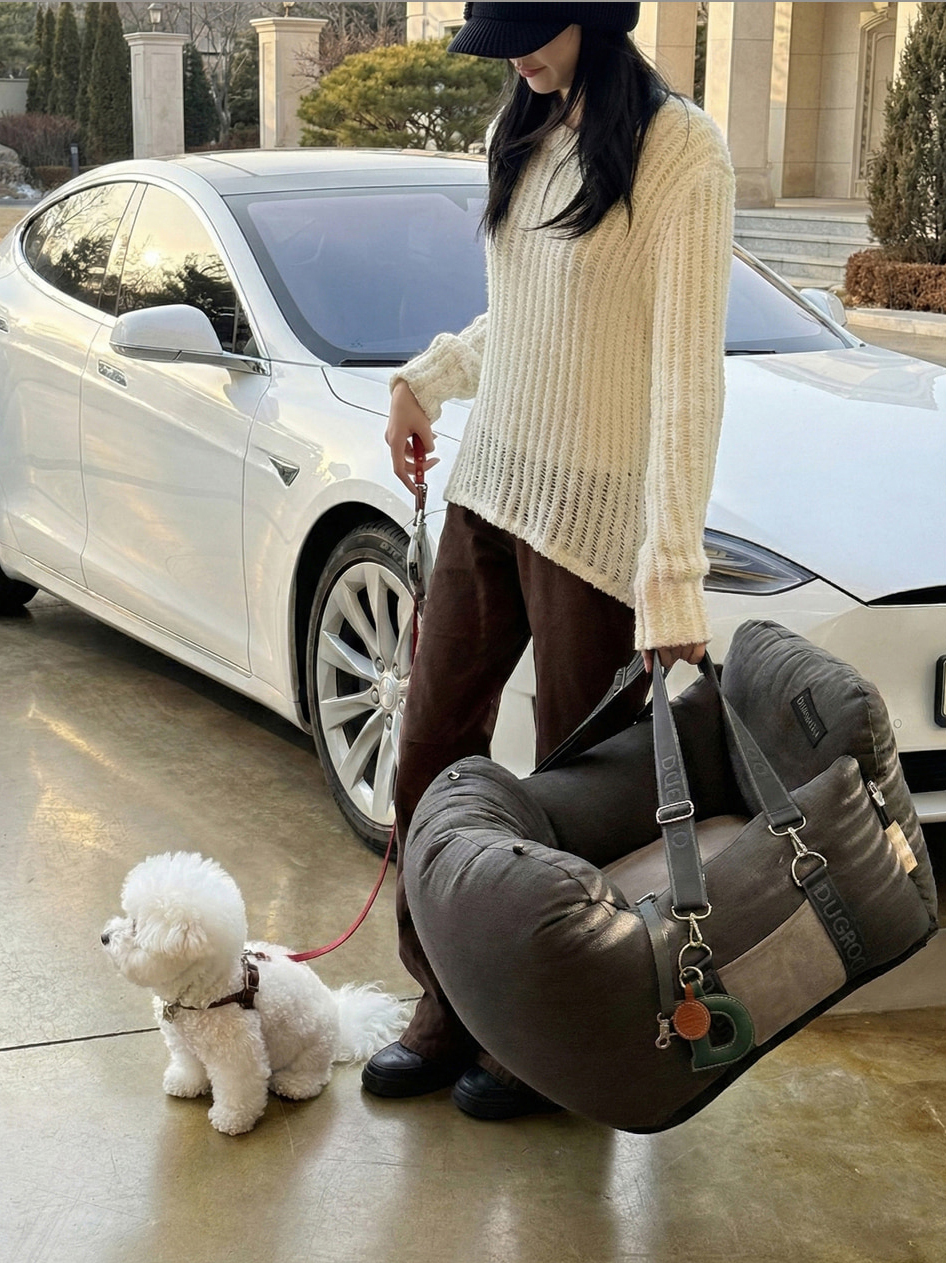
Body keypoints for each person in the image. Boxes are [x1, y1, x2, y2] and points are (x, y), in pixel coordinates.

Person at [361, 2, 737, 1119]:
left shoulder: (679, 152)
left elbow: (685, 376)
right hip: (490, 494)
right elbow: (527, 318)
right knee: (430, 753)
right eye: (501, 36)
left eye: (532, 29)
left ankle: (543, 1033)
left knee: (573, 808)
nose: (516, 55)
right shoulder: (521, 127)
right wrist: (426, 380)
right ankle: (445, 996)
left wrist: (670, 570)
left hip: (595, 531)